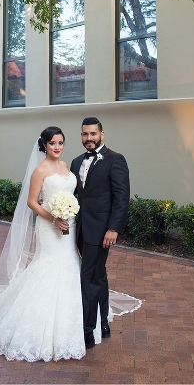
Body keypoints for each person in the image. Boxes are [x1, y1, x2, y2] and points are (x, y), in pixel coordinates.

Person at [0, 127, 89, 361]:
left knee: (71, 264)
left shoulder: (66, 166)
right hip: (50, 225)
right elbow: (32, 202)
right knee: (49, 267)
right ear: (44, 145)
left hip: (69, 225)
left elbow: (73, 195)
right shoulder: (40, 170)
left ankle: (74, 320)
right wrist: (54, 218)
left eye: (61, 143)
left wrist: (67, 214)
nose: (57, 147)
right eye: (52, 143)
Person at [70, 117, 132, 349]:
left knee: (88, 278)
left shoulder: (116, 160)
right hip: (81, 230)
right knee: (98, 276)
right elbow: (75, 195)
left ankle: (88, 331)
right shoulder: (76, 162)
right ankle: (103, 323)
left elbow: (121, 198)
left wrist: (113, 228)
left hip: (101, 231)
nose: (89, 139)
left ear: (102, 135)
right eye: (85, 134)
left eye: (93, 134)